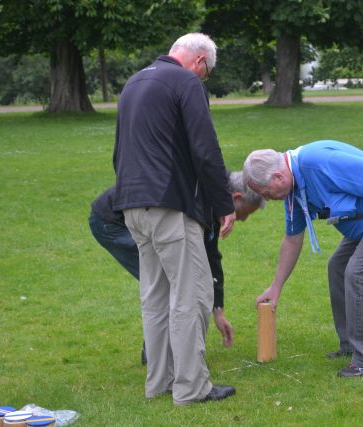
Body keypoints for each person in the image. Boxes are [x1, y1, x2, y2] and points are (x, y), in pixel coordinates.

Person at [112, 32, 236, 405]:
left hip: (131, 204)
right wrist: (224, 203)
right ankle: (192, 387)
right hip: (169, 205)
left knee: (155, 297)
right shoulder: (186, 82)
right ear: (200, 62)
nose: (203, 81)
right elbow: (206, 148)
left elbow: (119, 150)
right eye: (206, 74)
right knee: (192, 294)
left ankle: (159, 383)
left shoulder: (134, 82)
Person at [243, 140, 363, 378]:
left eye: (266, 192)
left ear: (278, 177)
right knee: (338, 266)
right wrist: (276, 287)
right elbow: (292, 239)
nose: (268, 198)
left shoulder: (315, 161)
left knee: (359, 274)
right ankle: (351, 344)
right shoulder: (293, 191)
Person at [89, 171, 265, 362]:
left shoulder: (213, 197)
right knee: (168, 280)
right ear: (236, 198)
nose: (244, 219)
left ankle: (159, 353)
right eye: (246, 213)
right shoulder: (203, 190)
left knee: (174, 279)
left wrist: (218, 310)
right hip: (113, 221)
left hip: (139, 217)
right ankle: (159, 354)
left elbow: (211, 255)